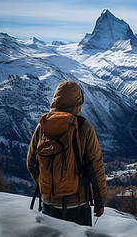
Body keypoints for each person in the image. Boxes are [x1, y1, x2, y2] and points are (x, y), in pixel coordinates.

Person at [27, 81, 107, 226]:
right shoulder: (84, 128)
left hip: (48, 203)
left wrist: (47, 183)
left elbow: (31, 163)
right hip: (77, 205)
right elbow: (96, 169)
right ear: (78, 103)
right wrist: (99, 201)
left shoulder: (42, 126)